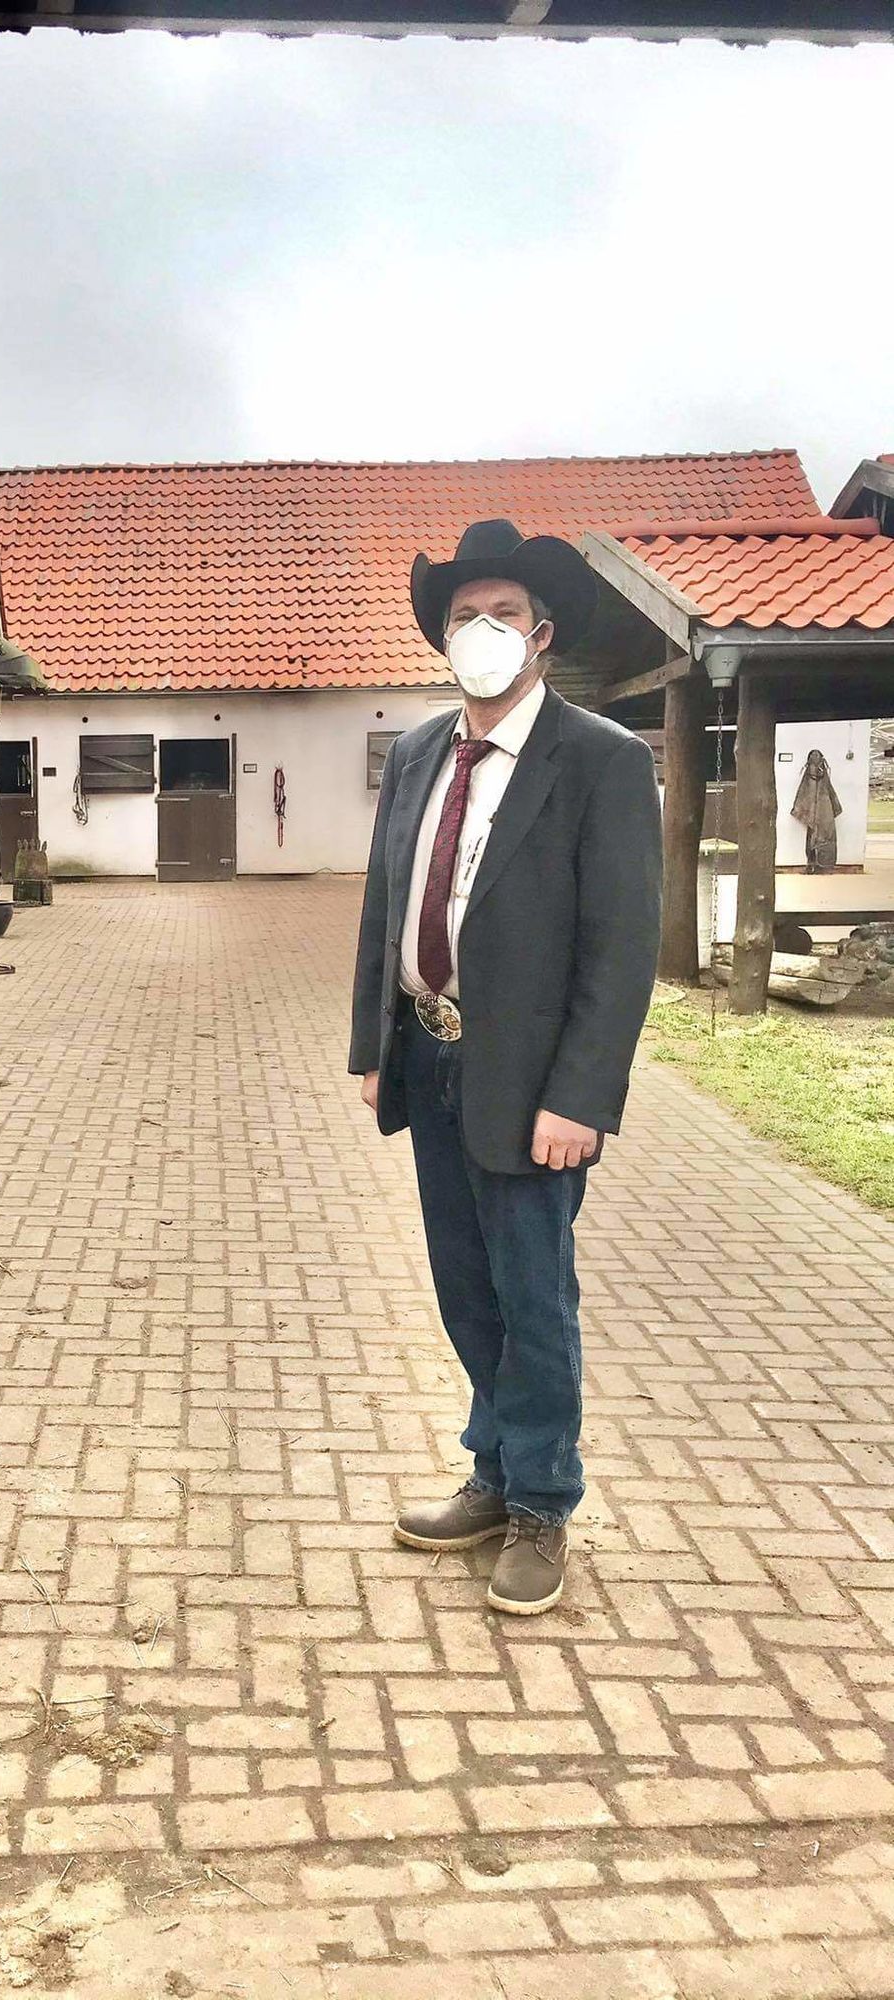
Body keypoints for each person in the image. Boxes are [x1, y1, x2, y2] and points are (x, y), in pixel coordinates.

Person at [350, 519, 662, 1615]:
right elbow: (388, 902)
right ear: (441, 637)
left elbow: (622, 947)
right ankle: (493, 1470)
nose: (480, 630)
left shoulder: (602, 761)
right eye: (462, 615)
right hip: (431, 1059)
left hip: (533, 1084)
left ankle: (541, 1500)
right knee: (465, 1287)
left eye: (502, 613)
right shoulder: (418, 754)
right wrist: (376, 1048)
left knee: (533, 1295)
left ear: (541, 634)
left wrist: (581, 1097)